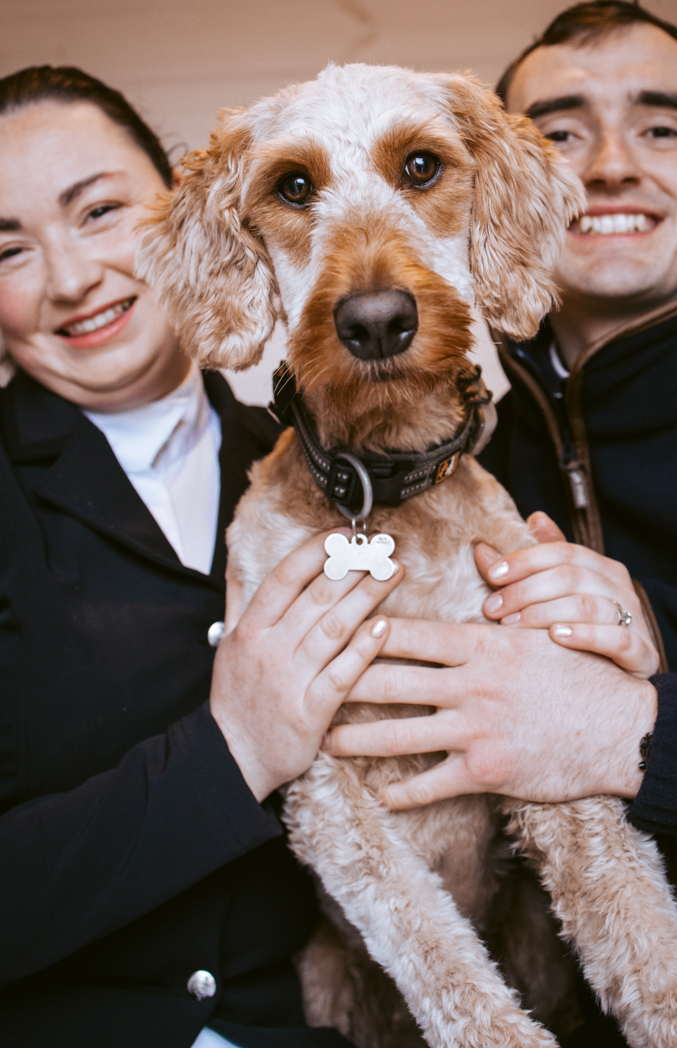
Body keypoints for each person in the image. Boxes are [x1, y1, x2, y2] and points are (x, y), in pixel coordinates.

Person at [324, 0, 677, 1046]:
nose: (611, 165)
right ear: (501, 194)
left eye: (660, 127)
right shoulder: (444, 462)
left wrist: (639, 716)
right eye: (563, 134)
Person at [0, 66, 403, 1048]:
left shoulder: (330, 472)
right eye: (8, 251)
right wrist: (230, 754)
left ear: (189, 206)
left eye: (99, 211)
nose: (71, 278)